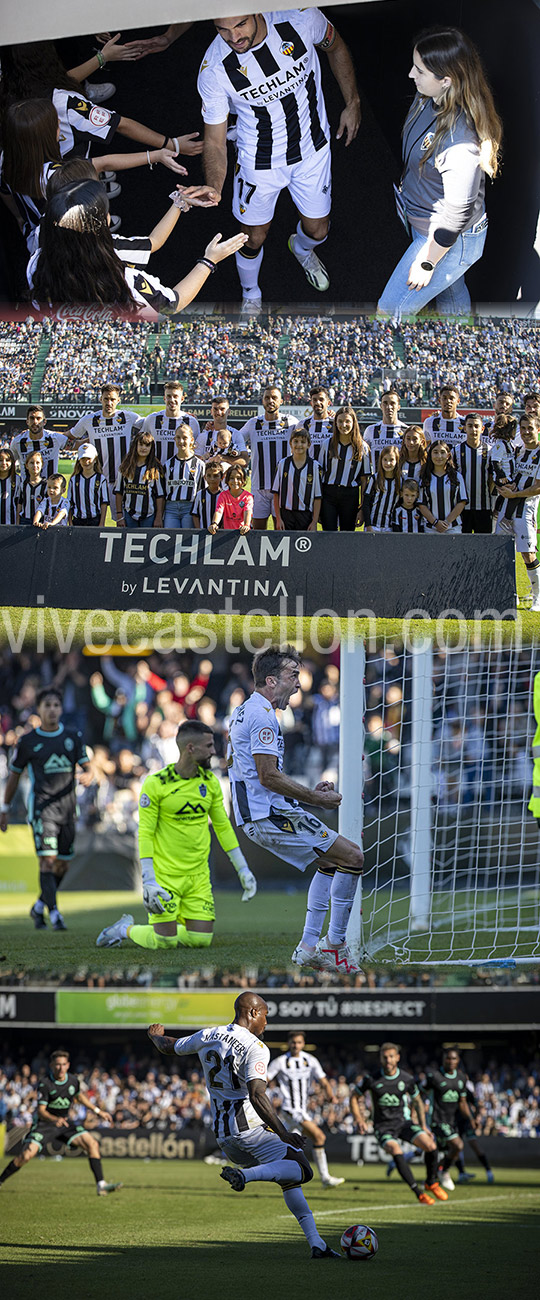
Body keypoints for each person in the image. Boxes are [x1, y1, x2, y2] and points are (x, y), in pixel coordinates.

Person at [147, 993, 341, 1258]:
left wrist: (155, 1036)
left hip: (224, 1135)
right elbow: (257, 1094)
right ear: (252, 1012)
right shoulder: (255, 1047)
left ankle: (316, 1243)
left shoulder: (209, 1034)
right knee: (302, 1168)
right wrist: (284, 1133)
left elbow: (169, 1046)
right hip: (249, 1128)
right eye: (265, 1015)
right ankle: (244, 1176)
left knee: (288, 1180)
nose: (266, 1023)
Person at [195, 10, 360, 310]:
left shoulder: (301, 18)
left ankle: (300, 249)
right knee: (252, 238)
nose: (234, 37)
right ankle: (251, 293)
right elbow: (215, 141)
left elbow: (335, 47)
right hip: (258, 162)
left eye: (240, 24)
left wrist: (353, 102)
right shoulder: (214, 69)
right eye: (222, 29)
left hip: (313, 149)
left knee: (318, 230)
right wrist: (215, 186)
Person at [227, 645, 363, 973]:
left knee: (333, 862)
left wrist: (306, 793)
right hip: (268, 816)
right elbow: (267, 775)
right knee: (353, 857)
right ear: (271, 681)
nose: (299, 683)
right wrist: (315, 800)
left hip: (264, 813)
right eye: (293, 675)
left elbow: (259, 775)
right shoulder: (261, 716)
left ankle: (309, 947)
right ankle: (335, 945)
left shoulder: (246, 711)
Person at [96, 720, 257, 952]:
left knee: (200, 941)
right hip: (165, 877)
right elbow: (146, 833)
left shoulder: (210, 782)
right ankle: (124, 929)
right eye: (209, 745)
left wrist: (243, 869)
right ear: (190, 748)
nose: (214, 751)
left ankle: (168, 928)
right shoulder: (156, 783)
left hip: (198, 877)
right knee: (165, 943)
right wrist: (149, 879)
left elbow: (223, 827)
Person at [378, 26, 502, 319]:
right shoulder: (429, 97)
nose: (411, 74)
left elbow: (458, 212)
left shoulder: (459, 143)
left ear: (446, 80)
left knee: (389, 311)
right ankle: (459, 348)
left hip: (445, 237)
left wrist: (428, 262)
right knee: (451, 289)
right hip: (424, 219)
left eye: (419, 71)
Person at [28, 167, 248, 311]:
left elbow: (151, 242)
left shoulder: (36, 264)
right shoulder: (125, 281)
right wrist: (209, 261)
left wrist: (180, 202)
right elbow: (171, 304)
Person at [0, 97, 190, 256]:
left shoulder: (5, 161)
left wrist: (21, 220)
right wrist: (155, 155)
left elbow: (10, 201)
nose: (59, 122)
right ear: (47, 137)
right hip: (72, 241)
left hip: (37, 239)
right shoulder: (58, 174)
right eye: (55, 123)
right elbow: (104, 163)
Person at [0, 686, 92, 931]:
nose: (52, 710)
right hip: (43, 809)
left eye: (56, 705)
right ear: (38, 709)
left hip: (68, 810)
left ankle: (39, 905)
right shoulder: (28, 741)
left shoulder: (73, 736)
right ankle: (55, 914)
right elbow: (14, 776)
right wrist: (5, 807)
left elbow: (88, 767)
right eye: (47, 705)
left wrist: (89, 775)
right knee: (47, 862)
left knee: (63, 864)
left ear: (61, 709)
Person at [0, 1048, 121, 1197]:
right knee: (25, 1157)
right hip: (45, 1124)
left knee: (92, 1144)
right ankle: (0, 1181)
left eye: (64, 1064)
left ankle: (101, 1185)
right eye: (58, 1064)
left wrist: (98, 1111)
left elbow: (80, 1097)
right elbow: (41, 1111)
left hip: (65, 1124)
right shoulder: (45, 1083)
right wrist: (55, 1119)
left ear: (68, 1065)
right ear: (52, 1065)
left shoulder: (73, 1081)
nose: (61, 1068)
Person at [350, 1043, 448, 1205]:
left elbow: (417, 1100)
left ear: (397, 1058)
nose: (388, 1060)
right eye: (384, 1057)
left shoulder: (407, 1079)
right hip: (383, 1127)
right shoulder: (371, 1079)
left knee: (430, 1145)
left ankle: (431, 1182)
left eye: (391, 1056)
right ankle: (419, 1193)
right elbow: (354, 1096)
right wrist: (359, 1119)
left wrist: (423, 1125)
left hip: (404, 1123)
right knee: (396, 1149)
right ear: (380, 1058)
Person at [267, 1031, 344, 1188]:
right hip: (290, 1109)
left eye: (299, 1042)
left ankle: (266, 1172)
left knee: (290, 1146)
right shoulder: (280, 1062)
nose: (296, 1045)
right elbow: (265, 1079)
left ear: (303, 1044)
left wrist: (330, 1095)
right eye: (293, 1042)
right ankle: (325, 1178)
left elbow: (323, 1080)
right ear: (289, 1043)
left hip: (302, 1109)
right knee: (319, 1137)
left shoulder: (310, 1060)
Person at [69, 382, 143, 522]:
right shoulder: (89, 420)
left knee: (121, 521)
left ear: (118, 400)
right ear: (100, 399)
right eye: (106, 399)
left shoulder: (128, 417)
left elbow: (150, 423)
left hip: (121, 481)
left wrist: (181, 416)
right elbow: (70, 434)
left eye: (113, 399)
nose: (109, 402)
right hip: (96, 481)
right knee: (93, 519)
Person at [494, 417, 540, 610]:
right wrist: (502, 487)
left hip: (525, 510)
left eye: (530, 428)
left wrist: (516, 494)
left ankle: (538, 597)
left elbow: (538, 488)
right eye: (523, 428)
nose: (526, 432)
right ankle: (508, 594)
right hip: (506, 508)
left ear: (538, 429)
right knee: (501, 552)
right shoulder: (517, 451)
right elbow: (503, 474)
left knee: (527, 554)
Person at [237, 386, 297, 528]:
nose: (270, 400)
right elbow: (235, 438)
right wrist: (213, 428)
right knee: (258, 530)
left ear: (281, 401)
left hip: (283, 487)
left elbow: (309, 431)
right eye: (267, 398)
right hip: (259, 487)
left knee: (280, 529)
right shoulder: (253, 423)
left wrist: (329, 418)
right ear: (262, 401)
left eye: (274, 398)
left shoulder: (291, 422)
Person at [423, 1047, 476, 1192]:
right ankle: (444, 1172)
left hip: (451, 1121)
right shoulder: (434, 1077)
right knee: (458, 1145)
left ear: (458, 1060)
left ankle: (432, 1177)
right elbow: (420, 1094)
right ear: (443, 1059)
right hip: (436, 1120)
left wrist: (470, 1118)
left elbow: (462, 1102)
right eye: (448, 1058)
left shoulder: (461, 1078)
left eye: (454, 1058)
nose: (451, 1061)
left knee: (442, 1151)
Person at [320, 406, 370, 532]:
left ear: (354, 423)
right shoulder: (327, 444)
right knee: (328, 534)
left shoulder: (362, 447)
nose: (344, 425)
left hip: (350, 495)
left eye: (347, 421)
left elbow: (365, 480)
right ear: (335, 423)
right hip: (328, 495)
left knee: (347, 535)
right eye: (340, 421)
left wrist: (362, 508)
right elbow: (319, 474)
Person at [273, 427, 322, 531]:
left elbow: (317, 497)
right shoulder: (283, 464)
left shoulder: (314, 466)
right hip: (286, 514)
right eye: (296, 441)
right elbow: (276, 493)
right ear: (290, 443)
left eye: (303, 442)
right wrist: (278, 518)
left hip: (305, 516)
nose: (299, 445)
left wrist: (314, 522)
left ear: (309, 445)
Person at [115, 432, 165, 529]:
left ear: (152, 448)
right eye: (141, 444)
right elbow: (119, 492)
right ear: (135, 446)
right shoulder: (125, 467)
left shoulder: (155, 469)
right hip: (129, 514)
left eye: (147, 445)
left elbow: (160, 496)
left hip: (149, 515)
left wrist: (159, 517)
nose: (143, 448)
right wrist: (119, 515)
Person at [143, 381, 201, 464]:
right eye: (169, 396)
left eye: (175, 396)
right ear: (164, 398)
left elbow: (195, 449)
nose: (172, 400)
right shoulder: (152, 419)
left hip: (180, 473)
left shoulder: (191, 422)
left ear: (182, 399)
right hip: (156, 472)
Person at [10, 403, 70, 479]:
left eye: (38, 418)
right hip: (26, 490)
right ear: (27, 421)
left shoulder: (55, 438)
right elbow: (9, 464)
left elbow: (74, 444)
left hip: (49, 489)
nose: (35, 422)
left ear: (44, 422)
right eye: (32, 418)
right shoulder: (17, 442)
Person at [419, 441, 468, 532]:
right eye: (435, 452)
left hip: (453, 527)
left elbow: (462, 502)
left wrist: (447, 522)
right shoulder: (425, 477)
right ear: (430, 455)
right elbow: (422, 504)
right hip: (431, 528)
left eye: (442, 452)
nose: (439, 456)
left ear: (448, 455)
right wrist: (435, 522)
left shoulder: (457, 477)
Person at [163, 425, 205, 528]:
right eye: (178, 437)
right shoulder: (168, 464)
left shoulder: (200, 465)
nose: (181, 441)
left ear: (191, 440)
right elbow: (163, 491)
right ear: (174, 439)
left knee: (186, 541)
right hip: (170, 508)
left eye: (185, 438)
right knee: (170, 540)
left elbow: (202, 491)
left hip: (190, 508)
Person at [456, 414, 492, 533]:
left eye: (477, 426)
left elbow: (492, 479)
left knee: (483, 546)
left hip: (484, 507)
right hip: (461, 508)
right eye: (470, 426)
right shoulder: (456, 451)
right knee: (461, 546)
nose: (473, 430)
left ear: (482, 429)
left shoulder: (490, 451)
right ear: (464, 428)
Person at [195, 395, 247, 464]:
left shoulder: (235, 434)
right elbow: (195, 460)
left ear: (228, 412)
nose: (218, 412)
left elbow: (244, 462)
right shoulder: (204, 435)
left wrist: (223, 458)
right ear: (211, 411)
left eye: (222, 409)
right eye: (215, 409)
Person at [66, 443, 109, 526]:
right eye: (83, 459)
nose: (86, 462)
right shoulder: (74, 480)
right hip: (78, 521)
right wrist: (70, 522)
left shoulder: (101, 479)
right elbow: (70, 502)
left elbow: (104, 503)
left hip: (94, 521)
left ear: (95, 459)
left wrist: (102, 523)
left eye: (89, 458)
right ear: (79, 460)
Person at [363, 390, 407, 471]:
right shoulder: (370, 430)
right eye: (385, 403)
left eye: (392, 403)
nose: (389, 407)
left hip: (400, 480)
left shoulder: (406, 431)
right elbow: (364, 456)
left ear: (398, 407)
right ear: (381, 406)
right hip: (377, 480)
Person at [363, 445, 401, 532]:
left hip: (390, 527)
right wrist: (368, 525)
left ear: (397, 461)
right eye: (385, 460)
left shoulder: (400, 481)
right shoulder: (374, 479)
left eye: (391, 460)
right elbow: (366, 503)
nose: (388, 463)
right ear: (380, 461)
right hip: (373, 525)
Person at [209, 464, 254, 533]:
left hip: (243, 533)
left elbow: (248, 511)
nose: (235, 481)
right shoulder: (223, 495)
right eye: (232, 478)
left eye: (238, 478)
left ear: (243, 480)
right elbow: (219, 511)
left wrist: (246, 525)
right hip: (227, 533)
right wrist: (214, 523)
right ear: (227, 480)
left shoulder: (248, 497)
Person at [298, 386, 334, 460]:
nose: (318, 402)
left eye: (321, 399)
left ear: (328, 403)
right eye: (314, 400)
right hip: (308, 470)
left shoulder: (335, 423)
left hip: (330, 470)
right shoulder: (302, 424)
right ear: (311, 403)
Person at [192, 460, 225, 530]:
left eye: (215, 476)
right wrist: (198, 530)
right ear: (205, 477)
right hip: (203, 532)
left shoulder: (225, 495)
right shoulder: (200, 494)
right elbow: (195, 515)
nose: (212, 479)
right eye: (209, 476)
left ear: (222, 477)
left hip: (221, 534)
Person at [18, 449, 46, 524]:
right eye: (31, 463)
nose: (35, 465)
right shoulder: (23, 484)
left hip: (41, 521)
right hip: (25, 520)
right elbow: (20, 504)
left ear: (42, 464)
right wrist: (17, 522)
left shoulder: (46, 485)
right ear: (26, 466)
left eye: (37, 463)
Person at [0, 446, 20, 524]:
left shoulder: (17, 480)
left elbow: (19, 504)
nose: (4, 463)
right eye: (0, 460)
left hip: (11, 523)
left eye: (7, 460)